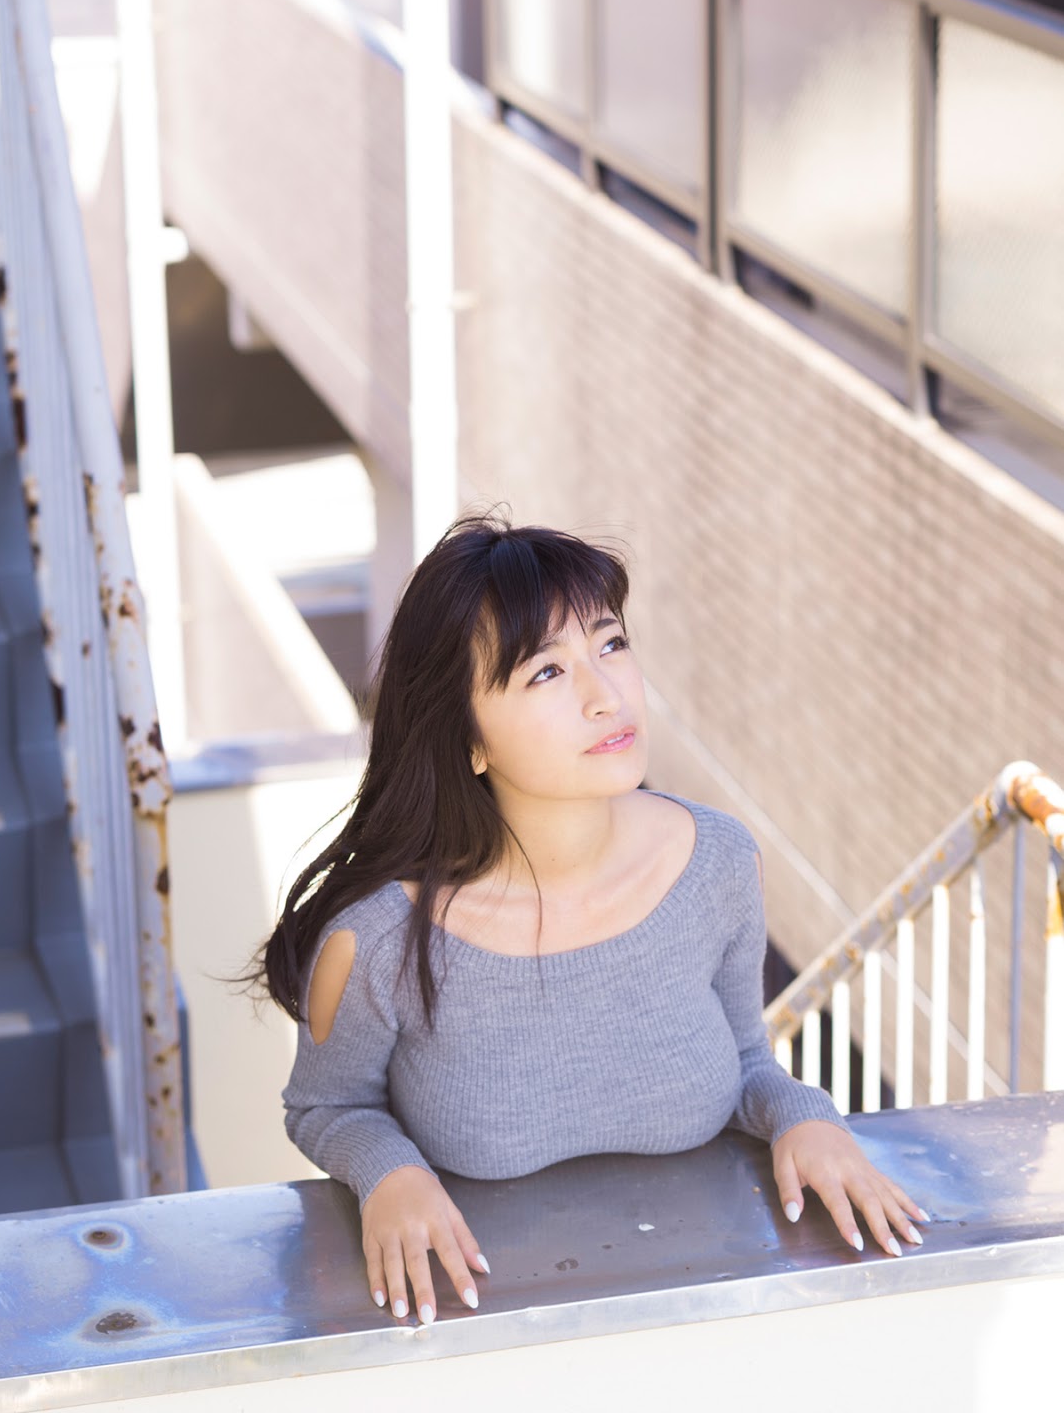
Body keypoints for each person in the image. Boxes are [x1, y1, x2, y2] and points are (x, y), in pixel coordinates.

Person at [262, 507, 927, 1326]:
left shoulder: (719, 862)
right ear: (468, 740)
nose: (605, 695)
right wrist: (389, 1176)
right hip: (484, 1333)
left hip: (706, 1312)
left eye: (610, 645)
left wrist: (802, 1117)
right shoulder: (377, 941)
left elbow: (743, 1063)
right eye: (546, 672)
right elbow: (325, 1108)